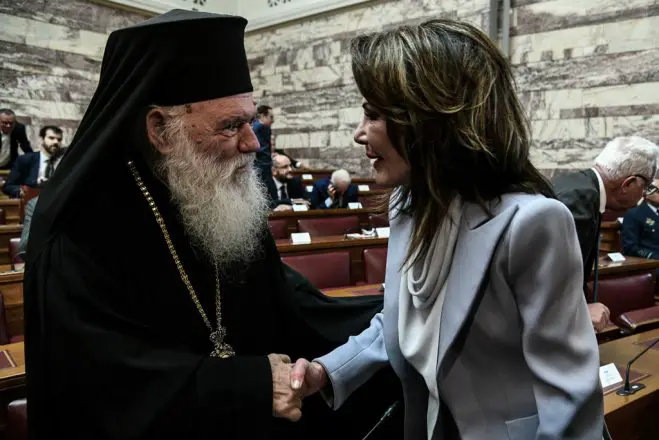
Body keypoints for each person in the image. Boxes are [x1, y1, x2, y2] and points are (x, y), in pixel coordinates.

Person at [24, 10, 401, 439]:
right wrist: (248, 384)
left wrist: (400, 316)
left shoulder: (218, 192)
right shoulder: (79, 226)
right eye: (231, 125)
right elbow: (103, 382)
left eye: (252, 120)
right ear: (161, 130)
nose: (253, 142)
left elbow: (287, 301)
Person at [290, 19, 603, 439]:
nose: (359, 133)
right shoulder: (408, 205)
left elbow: (570, 395)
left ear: (429, 120)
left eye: (374, 114)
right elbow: (403, 323)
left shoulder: (532, 224)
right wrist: (325, 371)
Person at [552, 136, 659, 331]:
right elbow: (551, 280)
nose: (645, 195)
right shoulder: (578, 203)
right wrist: (581, 310)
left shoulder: (579, 185)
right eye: (646, 187)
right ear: (629, 183)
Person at [3, 125, 64, 198]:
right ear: (41, 139)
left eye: (59, 140)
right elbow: (9, 186)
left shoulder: (64, 162)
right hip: (30, 201)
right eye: (51, 138)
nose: (56, 142)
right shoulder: (26, 159)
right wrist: (21, 191)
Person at [621, 177, 659, 275]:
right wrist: (653, 256)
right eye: (657, 191)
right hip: (650, 263)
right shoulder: (634, 214)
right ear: (646, 192)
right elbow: (630, 247)